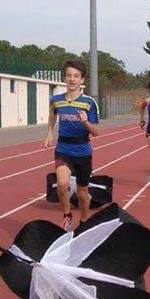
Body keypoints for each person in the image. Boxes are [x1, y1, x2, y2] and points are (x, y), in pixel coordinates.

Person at [43, 60, 100, 231]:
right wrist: (49, 132)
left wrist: (85, 123)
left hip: (83, 151)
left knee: (82, 194)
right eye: (69, 75)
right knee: (61, 184)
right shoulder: (56, 100)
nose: (72, 79)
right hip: (63, 149)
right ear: (65, 78)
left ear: (82, 80)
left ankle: (84, 221)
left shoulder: (89, 103)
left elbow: (96, 132)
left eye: (76, 76)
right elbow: (52, 115)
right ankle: (67, 215)